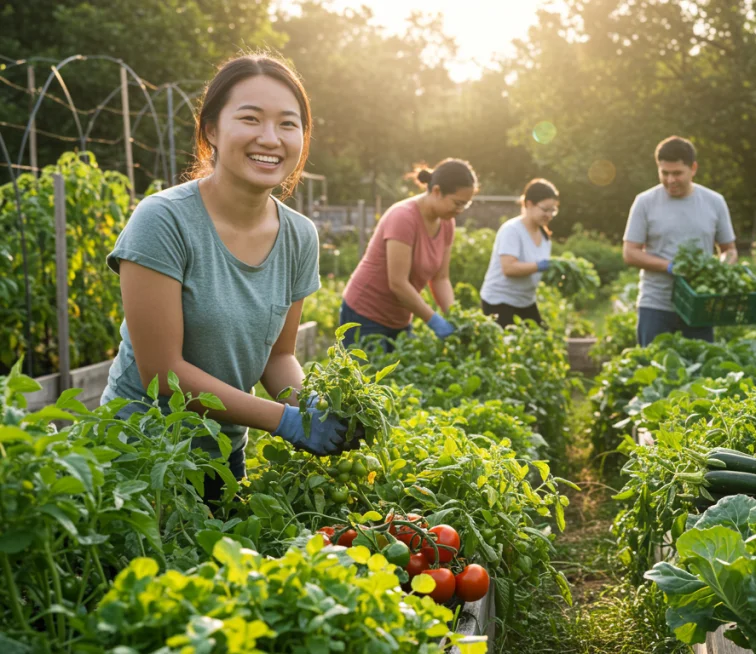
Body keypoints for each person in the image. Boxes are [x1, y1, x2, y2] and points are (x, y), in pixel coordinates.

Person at [99, 54, 353, 501]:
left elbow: (278, 357)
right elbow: (162, 374)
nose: (270, 138)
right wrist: (283, 420)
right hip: (139, 459)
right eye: (250, 118)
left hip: (222, 457)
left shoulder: (299, 236)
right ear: (211, 130)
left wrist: (308, 406)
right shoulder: (163, 221)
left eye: (288, 124)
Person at [340, 159, 477, 350]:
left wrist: (454, 317)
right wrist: (434, 321)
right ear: (437, 191)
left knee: (398, 377)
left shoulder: (446, 223)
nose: (460, 211)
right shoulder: (403, 217)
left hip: (400, 317)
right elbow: (398, 283)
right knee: (367, 377)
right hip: (365, 315)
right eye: (457, 203)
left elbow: (441, 278)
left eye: (465, 205)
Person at [622, 136, 738, 347]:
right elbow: (630, 252)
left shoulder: (714, 202)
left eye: (677, 173)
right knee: (651, 370)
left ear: (693, 168)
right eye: (664, 173)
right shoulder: (644, 202)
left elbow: (729, 250)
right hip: (655, 303)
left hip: (698, 305)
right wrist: (669, 267)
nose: (670, 180)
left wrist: (717, 271)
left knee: (700, 372)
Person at [479, 179, 559, 327]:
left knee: (539, 341)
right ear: (529, 204)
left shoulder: (544, 236)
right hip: (499, 301)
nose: (549, 215)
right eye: (545, 209)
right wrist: (539, 266)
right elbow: (509, 268)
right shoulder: (512, 230)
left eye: (553, 210)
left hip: (525, 301)